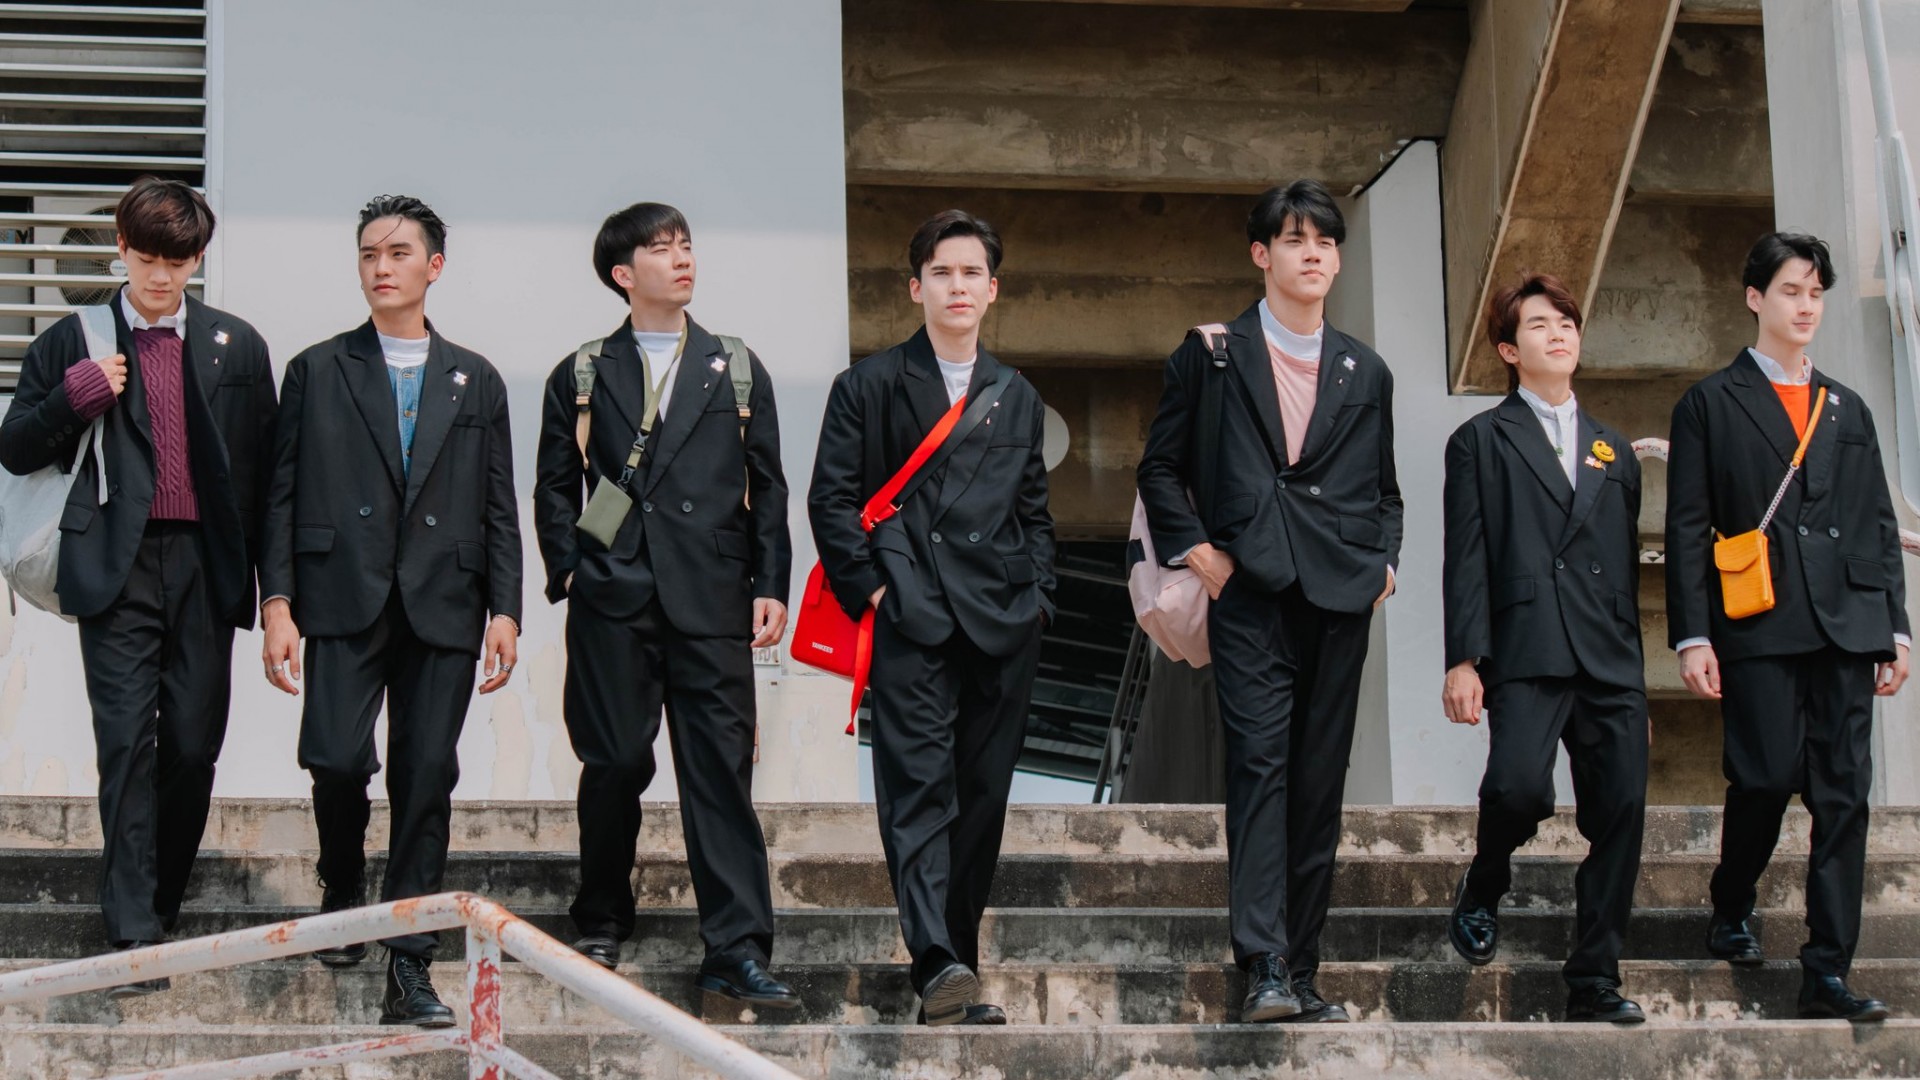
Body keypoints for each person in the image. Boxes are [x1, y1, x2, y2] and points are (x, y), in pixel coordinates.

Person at [0, 177, 276, 996]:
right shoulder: (72, 340)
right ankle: (131, 931)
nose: (161, 276)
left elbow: (264, 475)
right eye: (147, 257)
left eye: (178, 261)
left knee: (191, 746)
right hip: (114, 567)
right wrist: (77, 396)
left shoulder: (236, 345)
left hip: (205, 564)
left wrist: (276, 594)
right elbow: (16, 447)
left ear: (198, 259)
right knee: (126, 742)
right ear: (121, 248)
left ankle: (156, 900)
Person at [1136, 179, 1401, 1024]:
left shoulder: (1367, 369)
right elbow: (1160, 469)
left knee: (1320, 783)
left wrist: (1386, 566)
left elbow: (1383, 492)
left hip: (1339, 599)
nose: (1312, 253)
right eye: (1294, 239)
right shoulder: (1212, 354)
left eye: (1324, 241)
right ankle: (1264, 964)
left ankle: (1304, 970)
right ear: (1262, 254)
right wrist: (1201, 554)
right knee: (1260, 768)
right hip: (1249, 594)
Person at [259, 195, 522, 1027]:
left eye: (399, 252)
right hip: (342, 592)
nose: (382, 266)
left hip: (446, 599)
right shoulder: (316, 369)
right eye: (370, 253)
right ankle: (343, 881)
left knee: (426, 774)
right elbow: (280, 494)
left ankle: (409, 967)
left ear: (433, 266)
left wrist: (507, 609)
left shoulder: (475, 376)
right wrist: (276, 601)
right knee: (336, 759)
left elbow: (498, 502)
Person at [532, 203, 796, 1009]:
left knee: (719, 771)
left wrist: (771, 582)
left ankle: (737, 948)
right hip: (614, 598)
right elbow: (553, 486)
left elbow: (770, 486)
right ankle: (602, 915)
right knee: (613, 760)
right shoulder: (582, 371)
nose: (681, 258)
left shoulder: (735, 365)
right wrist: (571, 571)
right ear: (624, 274)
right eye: (660, 248)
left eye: (685, 245)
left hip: (714, 598)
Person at [808, 209, 1056, 1026]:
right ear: (916, 288)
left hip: (1002, 621)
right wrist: (879, 594)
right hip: (912, 617)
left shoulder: (1017, 396)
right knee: (917, 791)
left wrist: (1039, 600)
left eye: (971, 273)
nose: (957, 286)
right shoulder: (869, 386)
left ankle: (959, 962)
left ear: (993, 290)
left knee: (981, 799)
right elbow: (832, 501)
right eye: (941, 272)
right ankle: (935, 960)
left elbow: (1034, 513)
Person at [1666, 231, 1910, 1022]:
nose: (1806, 307)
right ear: (1755, 298)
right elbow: (1687, 527)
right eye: (1791, 292)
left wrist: (1896, 627)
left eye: (1815, 294)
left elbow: (1875, 521)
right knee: (1766, 777)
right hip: (1760, 622)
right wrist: (1693, 635)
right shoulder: (1709, 403)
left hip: (1848, 624)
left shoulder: (1847, 406)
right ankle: (1732, 901)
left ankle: (1827, 971)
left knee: (1844, 798)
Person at [1440, 273, 1648, 1023]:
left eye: (1566, 322)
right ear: (1508, 349)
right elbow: (1466, 556)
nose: (1558, 333)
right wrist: (1463, 659)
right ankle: (1486, 880)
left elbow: (1622, 563)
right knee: (1518, 789)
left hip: (1609, 657)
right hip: (1526, 647)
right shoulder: (1480, 441)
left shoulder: (1614, 449)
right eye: (1539, 324)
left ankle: (1595, 979)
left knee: (1622, 810)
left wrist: (1637, 673)